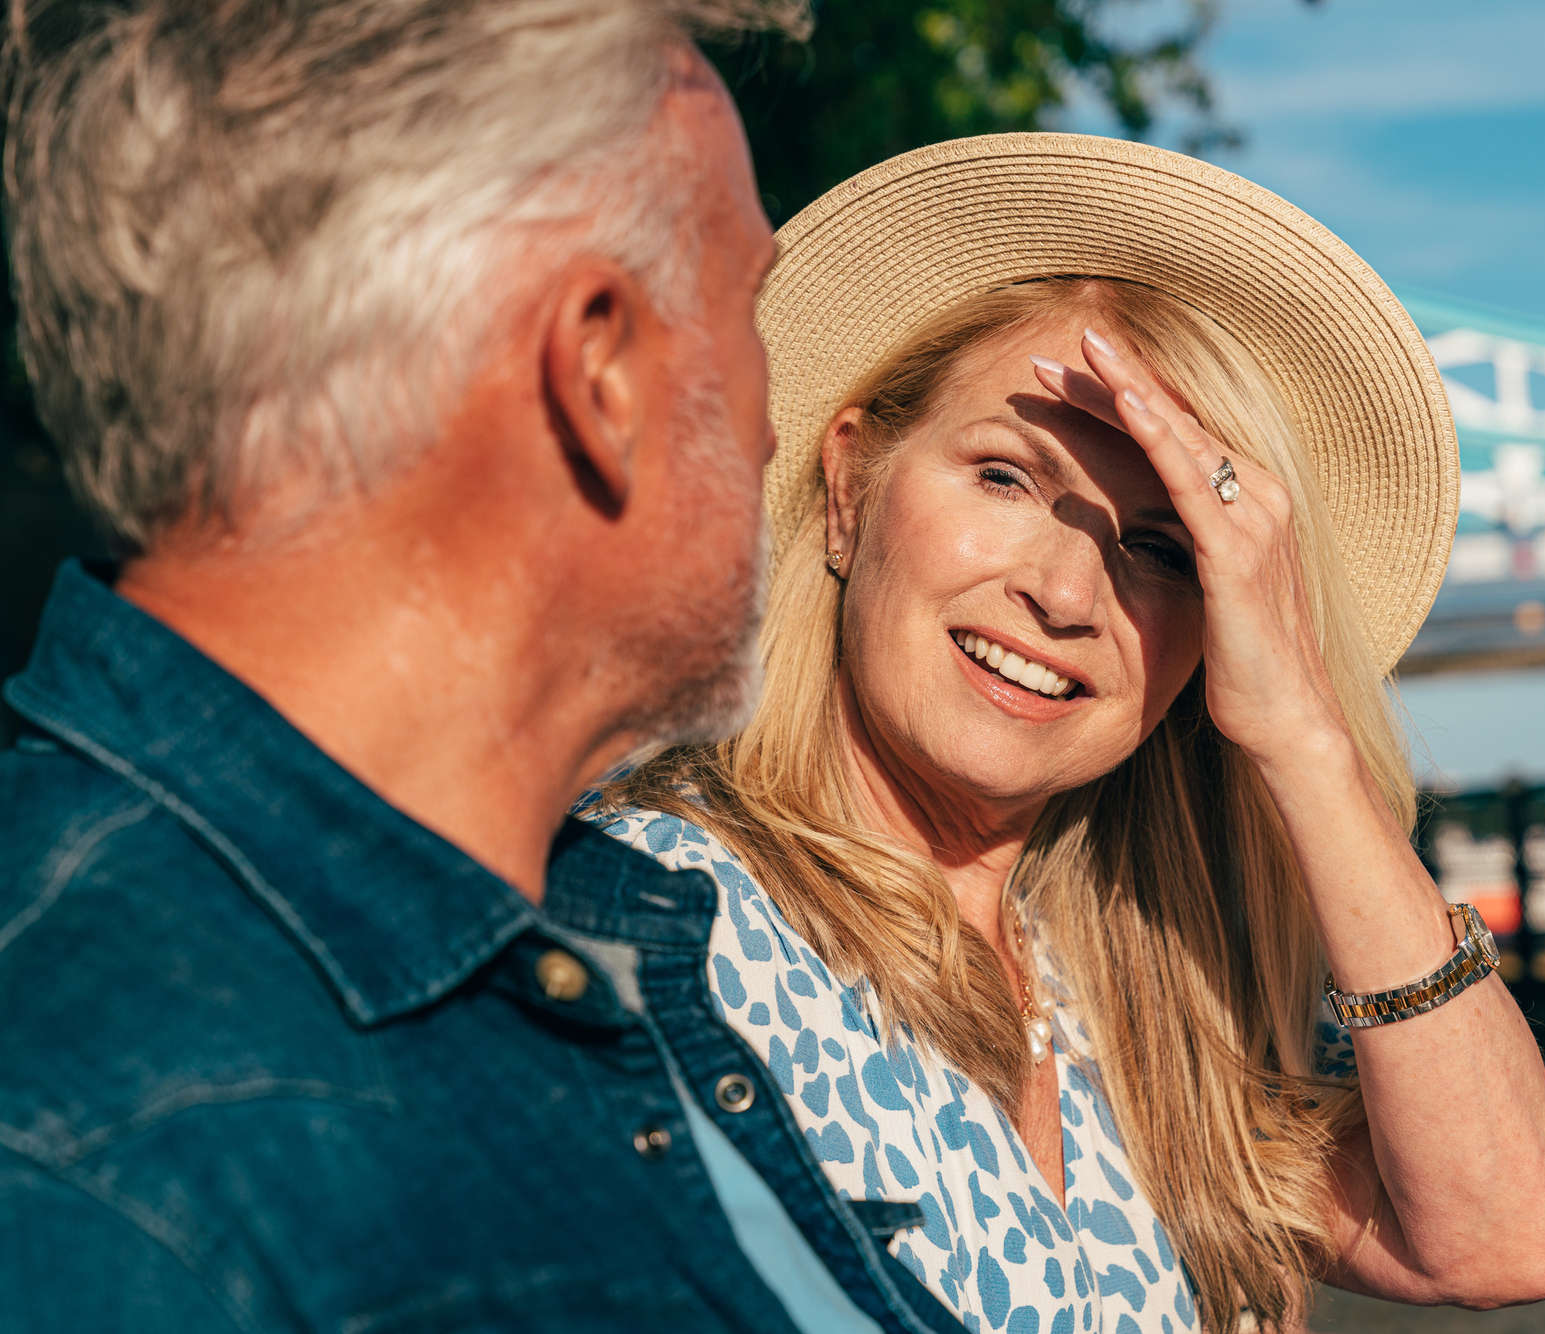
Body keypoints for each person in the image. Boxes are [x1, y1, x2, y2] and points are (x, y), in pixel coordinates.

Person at [0, 5, 967, 1332]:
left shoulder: (607, 936)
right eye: (750, 314)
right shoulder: (100, 1174)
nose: (773, 427)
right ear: (599, 372)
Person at [590, 135, 1545, 1333]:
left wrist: (1305, 734)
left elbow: (1499, 1237)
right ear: (849, 484)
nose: (1067, 593)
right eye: (1005, 478)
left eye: (1161, 550)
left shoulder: (1129, 993)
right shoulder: (647, 927)